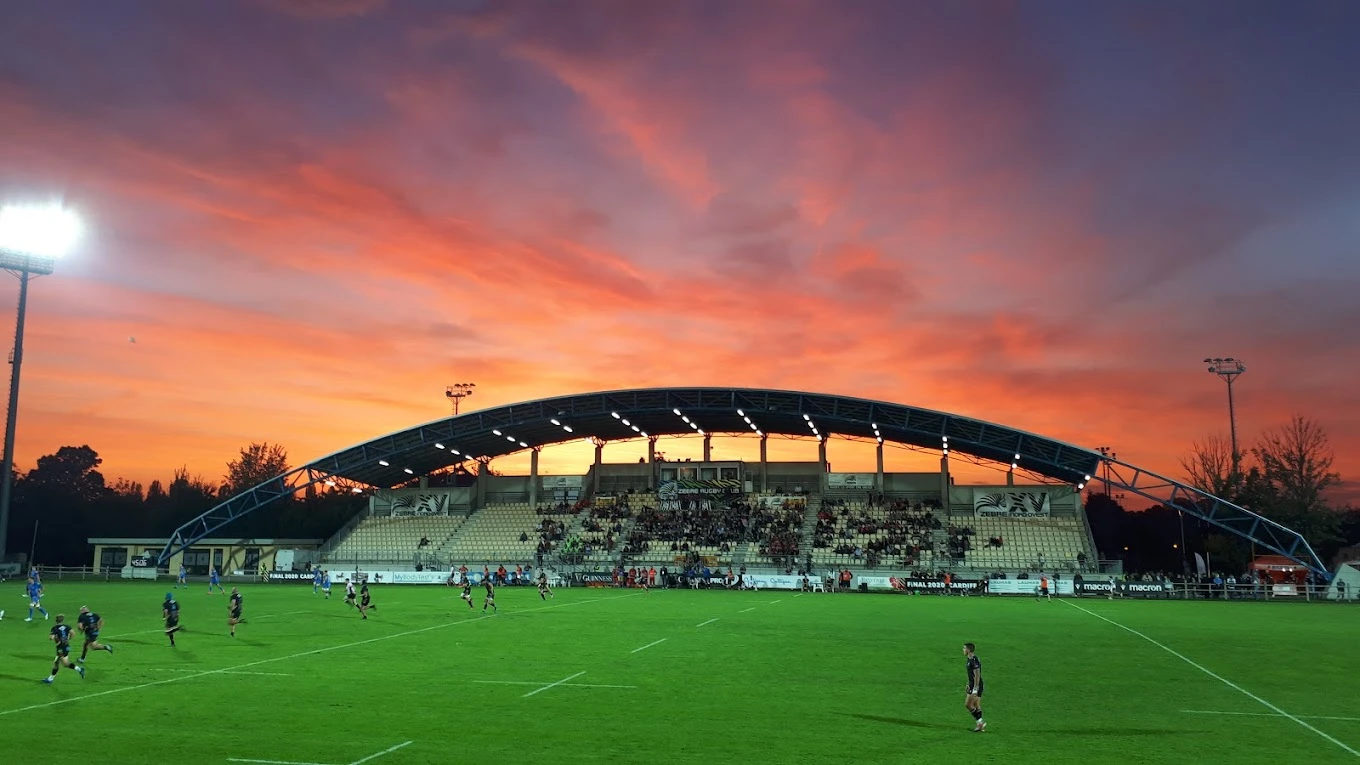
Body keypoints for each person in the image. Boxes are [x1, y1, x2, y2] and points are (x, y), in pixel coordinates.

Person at [44, 615, 86, 683]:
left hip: (60, 648)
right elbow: (73, 633)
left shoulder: (55, 628)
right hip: (66, 646)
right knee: (61, 663)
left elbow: (50, 637)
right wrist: (68, 639)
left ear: (56, 620)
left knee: (61, 663)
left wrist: (54, 637)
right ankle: (50, 679)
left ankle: (79, 669)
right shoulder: (67, 626)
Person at [963, 642, 985, 733]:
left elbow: (977, 675)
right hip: (974, 684)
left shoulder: (973, 660)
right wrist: (968, 683)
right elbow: (971, 675)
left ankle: (980, 723)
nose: (963, 650)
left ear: (968, 650)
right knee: (976, 705)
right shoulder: (970, 659)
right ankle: (980, 724)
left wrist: (975, 689)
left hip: (977, 684)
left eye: (964, 648)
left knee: (968, 705)